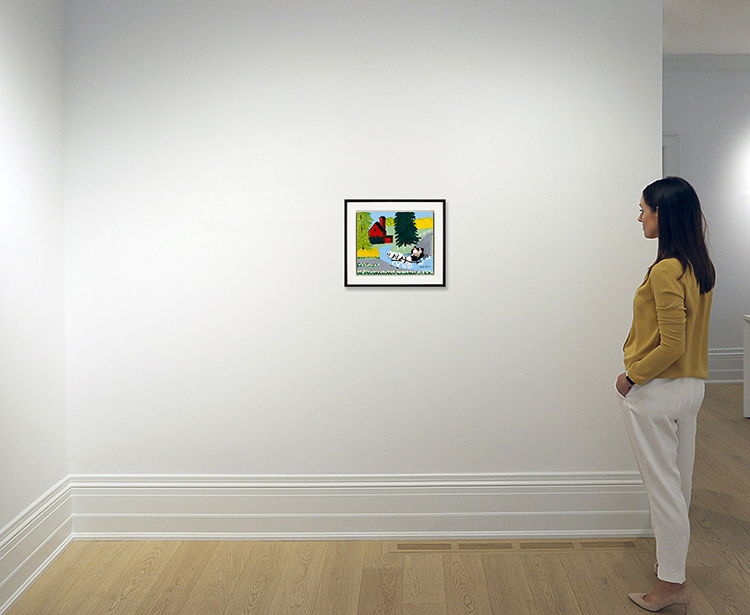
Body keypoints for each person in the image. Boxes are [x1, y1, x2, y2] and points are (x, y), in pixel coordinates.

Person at [616, 176, 715, 614]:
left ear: (663, 214)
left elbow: (671, 343)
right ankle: (672, 573)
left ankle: (670, 585)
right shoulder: (698, 266)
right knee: (680, 487)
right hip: (691, 389)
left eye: (643, 209)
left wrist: (632, 376)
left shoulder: (664, 269)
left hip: (658, 391)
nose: (639, 216)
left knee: (664, 492)